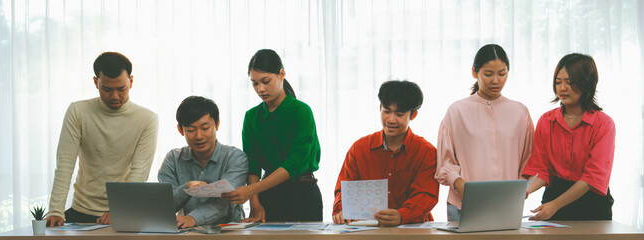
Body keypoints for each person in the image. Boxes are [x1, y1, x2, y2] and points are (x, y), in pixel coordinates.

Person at [46, 52, 158, 226]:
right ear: (95, 82)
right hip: (81, 210)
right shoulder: (78, 111)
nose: (114, 96)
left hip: (124, 211)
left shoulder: (147, 119)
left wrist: (120, 210)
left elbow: (139, 172)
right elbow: (65, 164)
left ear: (131, 81)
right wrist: (55, 210)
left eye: (121, 89)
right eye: (106, 89)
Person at [435, 44, 534, 221]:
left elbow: (530, 160)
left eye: (502, 74)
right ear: (475, 72)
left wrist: (521, 190)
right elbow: (444, 163)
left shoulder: (520, 112)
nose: (495, 80)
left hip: (507, 205)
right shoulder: (457, 111)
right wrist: (460, 184)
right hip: (462, 205)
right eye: (488, 74)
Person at [222, 49, 322, 222]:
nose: (260, 89)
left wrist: (251, 190)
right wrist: (254, 202)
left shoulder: (301, 111)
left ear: (281, 74)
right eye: (254, 83)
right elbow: (252, 164)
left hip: (302, 194)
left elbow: (293, 164)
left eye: (265, 81)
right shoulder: (252, 116)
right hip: (267, 197)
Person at [332, 80, 439, 227]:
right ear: (380, 107)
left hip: (412, 229)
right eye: (387, 111)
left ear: (413, 115)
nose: (391, 119)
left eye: (399, 114)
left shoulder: (426, 152)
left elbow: (425, 195)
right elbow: (344, 189)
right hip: (366, 230)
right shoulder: (359, 149)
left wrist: (402, 215)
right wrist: (343, 211)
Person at [522, 53, 615, 221]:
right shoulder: (546, 120)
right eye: (558, 82)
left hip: (592, 204)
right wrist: (525, 190)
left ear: (587, 83)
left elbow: (592, 178)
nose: (562, 88)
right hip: (553, 199)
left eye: (570, 82)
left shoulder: (604, 124)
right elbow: (542, 169)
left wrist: (556, 205)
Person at [158, 96, 248, 228]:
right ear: (180, 129)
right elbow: (165, 204)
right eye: (191, 130)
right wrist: (186, 188)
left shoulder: (235, 157)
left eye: (205, 128)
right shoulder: (172, 159)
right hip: (188, 233)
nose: (199, 136)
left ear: (217, 124)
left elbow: (225, 202)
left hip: (229, 232)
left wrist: (192, 218)